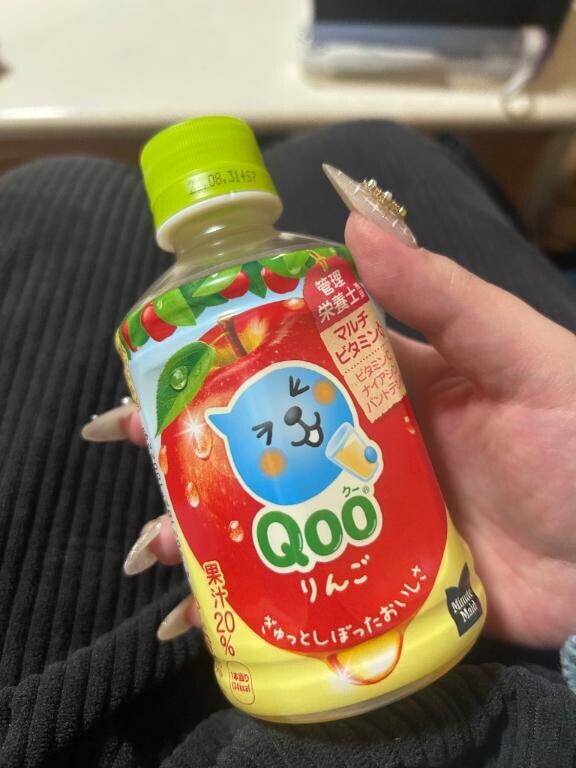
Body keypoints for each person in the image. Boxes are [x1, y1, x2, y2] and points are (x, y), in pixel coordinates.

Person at [0, 121, 574, 767]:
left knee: (60, 184)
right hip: (486, 681)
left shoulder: (308, 271)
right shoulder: (198, 310)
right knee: (379, 143)